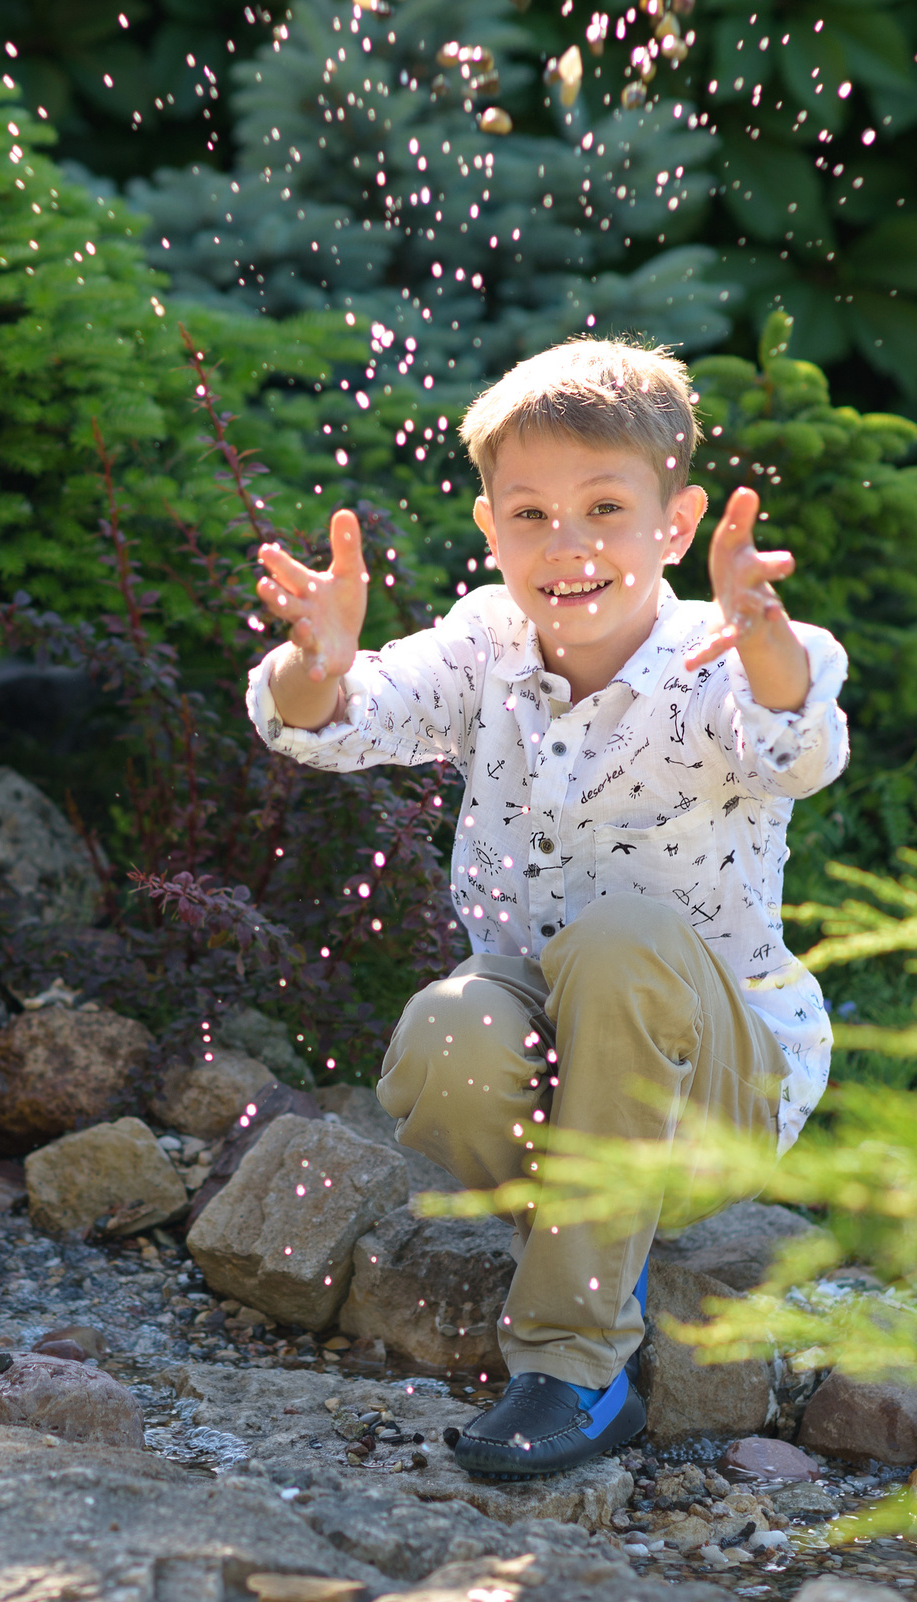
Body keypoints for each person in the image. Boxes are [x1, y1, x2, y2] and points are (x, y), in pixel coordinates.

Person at [248, 340, 849, 1478]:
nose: (565, 544)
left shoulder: (725, 654)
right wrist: (313, 664)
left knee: (621, 939)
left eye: (604, 508)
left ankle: (573, 1367)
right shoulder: (486, 643)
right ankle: (585, 1235)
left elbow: (794, 742)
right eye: (529, 513)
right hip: (557, 1071)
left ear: (672, 528)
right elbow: (331, 721)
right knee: (448, 1027)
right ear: (488, 529)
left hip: (712, 1091)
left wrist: (767, 644)